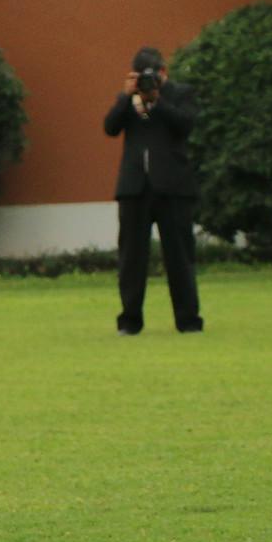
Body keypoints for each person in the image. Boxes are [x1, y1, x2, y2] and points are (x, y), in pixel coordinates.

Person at [103, 46, 202, 334]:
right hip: (135, 188)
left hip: (173, 188)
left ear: (163, 72)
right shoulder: (127, 100)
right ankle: (130, 320)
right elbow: (109, 127)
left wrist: (157, 101)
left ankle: (188, 320)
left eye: (153, 74)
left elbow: (186, 125)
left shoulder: (180, 94)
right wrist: (126, 97)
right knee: (131, 258)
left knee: (180, 257)